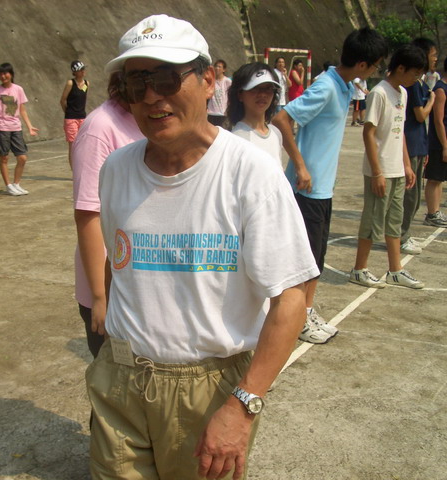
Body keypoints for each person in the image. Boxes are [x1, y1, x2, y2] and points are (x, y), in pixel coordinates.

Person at [86, 15, 319, 480]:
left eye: (167, 79)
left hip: (206, 388)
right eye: (137, 83)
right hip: (121, 376)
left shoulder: (249, 172)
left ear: (209, 79)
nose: (152, 96)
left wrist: (243, 404)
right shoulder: (115, 169)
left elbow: (293, 297)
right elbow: (119, 263)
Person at [272, 27, 388, 344]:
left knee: (316, 259)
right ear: (363, 64)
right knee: (304, 261)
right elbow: (281, 118)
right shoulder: (326, 86)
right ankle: (297, 319)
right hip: (307, 189)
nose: (376, 71)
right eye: (375, 65)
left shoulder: (344, 86)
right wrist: (300, 165)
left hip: (323, 189)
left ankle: (306, 312)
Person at [72, 73, 144, 358]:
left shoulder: (147, 119)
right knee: (116, 378)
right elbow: (88, 213)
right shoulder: (101, 128)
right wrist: (100, 297)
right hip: (110, 287)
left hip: (140, 281)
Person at [349, 44, 427, 289]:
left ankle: (395, 270)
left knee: (394, 221)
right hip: (380, 170)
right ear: (400, 68)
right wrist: (377, 172)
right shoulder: (379, 93)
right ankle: (359, 269)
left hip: (397, 170)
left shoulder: (402, 93)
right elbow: (369, 133)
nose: (417, 79)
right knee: (373, 221)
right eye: (415, 73)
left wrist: (407, 165)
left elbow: (399, 131)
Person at [401, 38, 438, 253]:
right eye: (433, 55)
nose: (435, 59)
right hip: (411, 144)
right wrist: (432, 101)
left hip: (419, 144)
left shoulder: (421, 83)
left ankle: (405, 233)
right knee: (410, 196)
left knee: (415, 197)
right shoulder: (414, 85)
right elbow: (420, 115)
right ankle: (402, 235)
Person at [0, 63, 38, 196]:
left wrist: (30, 126)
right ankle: (8, 185)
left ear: (11, 74)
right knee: (4, 157)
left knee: (22, 157)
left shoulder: (18, 89)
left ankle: (16, 184)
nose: (3, 76)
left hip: (16, 127)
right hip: (2, 128)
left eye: (5, 73)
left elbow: (22, 110)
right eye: (0, 74)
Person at [228, 62, 283, 167]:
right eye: (255, 88)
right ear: (240, 94)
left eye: (268, 88)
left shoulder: (276, 134)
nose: (262, 94)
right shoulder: (237, 138)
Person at [425, 55, 447, 227]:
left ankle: (436, 210)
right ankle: (431, 214)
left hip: (444, 141)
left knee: (440, 179)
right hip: (438, 142)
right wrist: (445, 146)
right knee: (434, 178)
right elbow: (438, 121)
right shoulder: (440, 90)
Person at [60, 60, 89, 169]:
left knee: (83, 143)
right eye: (81, 70)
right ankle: (74, 171)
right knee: (73, 145)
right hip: (71, 118)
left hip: (82, 117)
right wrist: (68, 112)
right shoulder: (70, 83)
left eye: (83, 69)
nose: (83, 71)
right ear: (75, 72)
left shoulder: (87, 83)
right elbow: (62, 100)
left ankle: (82, 167)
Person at [207, 59, 231, 127]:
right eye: (216, 66)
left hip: (223, 114)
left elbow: (231, 96)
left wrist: (229, 109)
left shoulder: (227, 81)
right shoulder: (211, 81)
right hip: (211, 113)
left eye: (219, 67)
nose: (217, 68)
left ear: (224, 70)